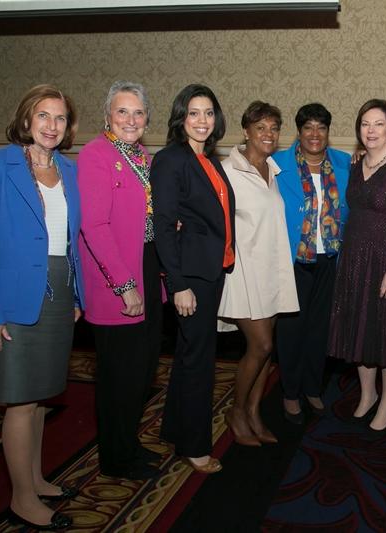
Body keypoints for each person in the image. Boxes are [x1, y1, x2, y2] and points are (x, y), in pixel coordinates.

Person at [0, 84, 83, 530]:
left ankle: (34, 478)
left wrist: (77, 295)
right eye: (43, 116)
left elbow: (73, 241)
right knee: (18, 399)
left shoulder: (68, 169)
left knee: (40, 396)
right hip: (10, 298)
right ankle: (21, 498)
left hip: (57, 293)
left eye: (61, 118)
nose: (52, 126)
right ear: (27, 120)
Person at [78, 81, 163, 480]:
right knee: (119, 376)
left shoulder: (142, 156)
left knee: (142, 371)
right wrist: (125, 285)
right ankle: (115, 457)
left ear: (147, 119)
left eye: (138, 112)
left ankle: (127, 442)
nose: (131, 120)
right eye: (122, 112)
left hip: (145, 267)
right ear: (107, 116)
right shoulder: (96, 155)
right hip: (117, 277)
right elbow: (94, 226)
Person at [152, 84, 235, 474]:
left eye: (208, 113)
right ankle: (195, 444)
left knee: (190, 356)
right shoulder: (171, 160)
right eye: (193, 113)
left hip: (210, 271)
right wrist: (178, 283)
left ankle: (175, 430)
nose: (202, 121)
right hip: (191, 277)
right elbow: (165, 225)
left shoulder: (209, 160)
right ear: (180, 118)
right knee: (199, 360)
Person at [328, 99, 386, 432]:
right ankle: (367, 394)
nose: (371, 130)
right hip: (356, 259)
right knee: (361, 329)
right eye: (365, 124)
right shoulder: (356, 165)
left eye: (378, 123)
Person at [218, 101, 299, 445]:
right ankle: (236, 411)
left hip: (272, 271)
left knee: (268, 350)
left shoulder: (273, 170)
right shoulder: (226, 171)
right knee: (261, 344)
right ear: (246, 131)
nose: (268, 134)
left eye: (274, 128)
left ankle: (253, 412)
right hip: (243, 272)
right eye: (261, 127)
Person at [273, 103, 351, 424]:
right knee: (292, 328)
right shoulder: (278, 164)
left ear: (327, 132)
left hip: (329, 259)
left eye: (321, 127)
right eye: (308, 127)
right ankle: (290, 392)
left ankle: (312, 386)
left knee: (320, 328)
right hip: (293, 259)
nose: (315, 134)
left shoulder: (345, 163)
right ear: (299, 131)